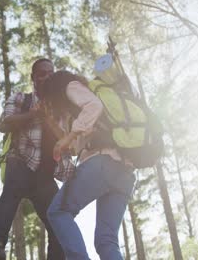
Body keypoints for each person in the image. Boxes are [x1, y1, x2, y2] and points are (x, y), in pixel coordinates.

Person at [43, 70, 136, 260]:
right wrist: (59, 131)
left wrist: (68, 136)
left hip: (103, 162)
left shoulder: (70, 86)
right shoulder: (77, 110)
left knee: (58, 211)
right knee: (106, 240)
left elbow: (94, 106)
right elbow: (78, 147)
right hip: (124, 171)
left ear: (54, 90)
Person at [0, 59, 65, 260]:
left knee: (59, 221)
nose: (46, 77)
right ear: (33, 78)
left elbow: (67, 140)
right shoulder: (21, 98)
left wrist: (50, 119)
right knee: (11, 192)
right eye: (41, 73)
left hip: (45, 173)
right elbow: (5, 123)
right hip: (20, 159)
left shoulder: (60, 108)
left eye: (50, 73)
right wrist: (33, 113)